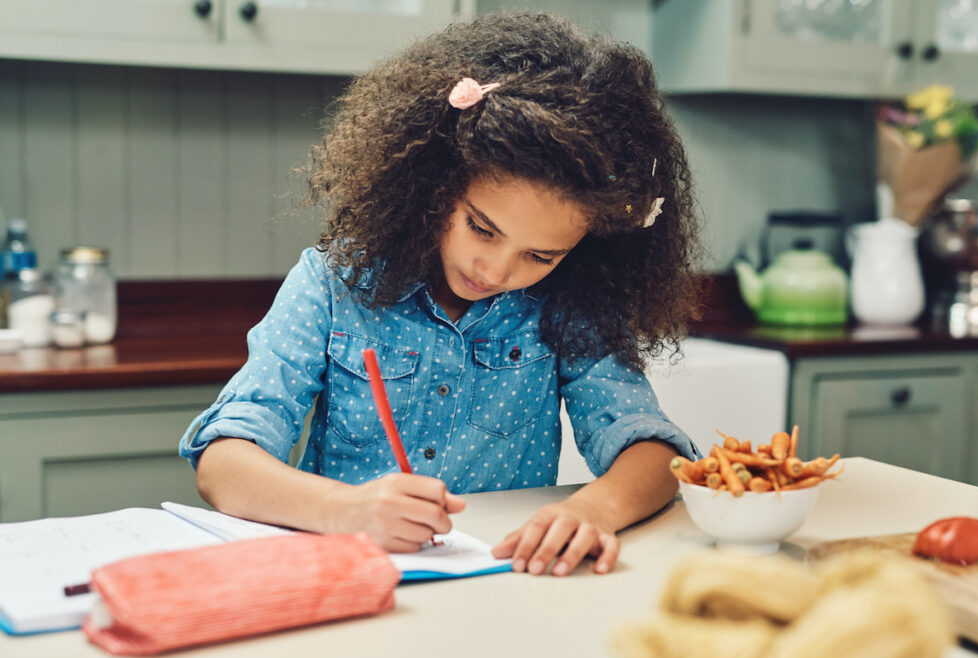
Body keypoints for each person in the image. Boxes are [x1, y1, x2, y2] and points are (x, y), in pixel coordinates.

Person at [179, 11, 704, 577]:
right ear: (436, 184)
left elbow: (655, 453)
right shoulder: (335, 283)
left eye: (540, 256)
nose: (498, 270)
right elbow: (223, 461)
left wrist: (593, 509)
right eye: (482, 228)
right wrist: (345, 509)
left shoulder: (570, 305)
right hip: (348, 580)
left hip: (501, 585)